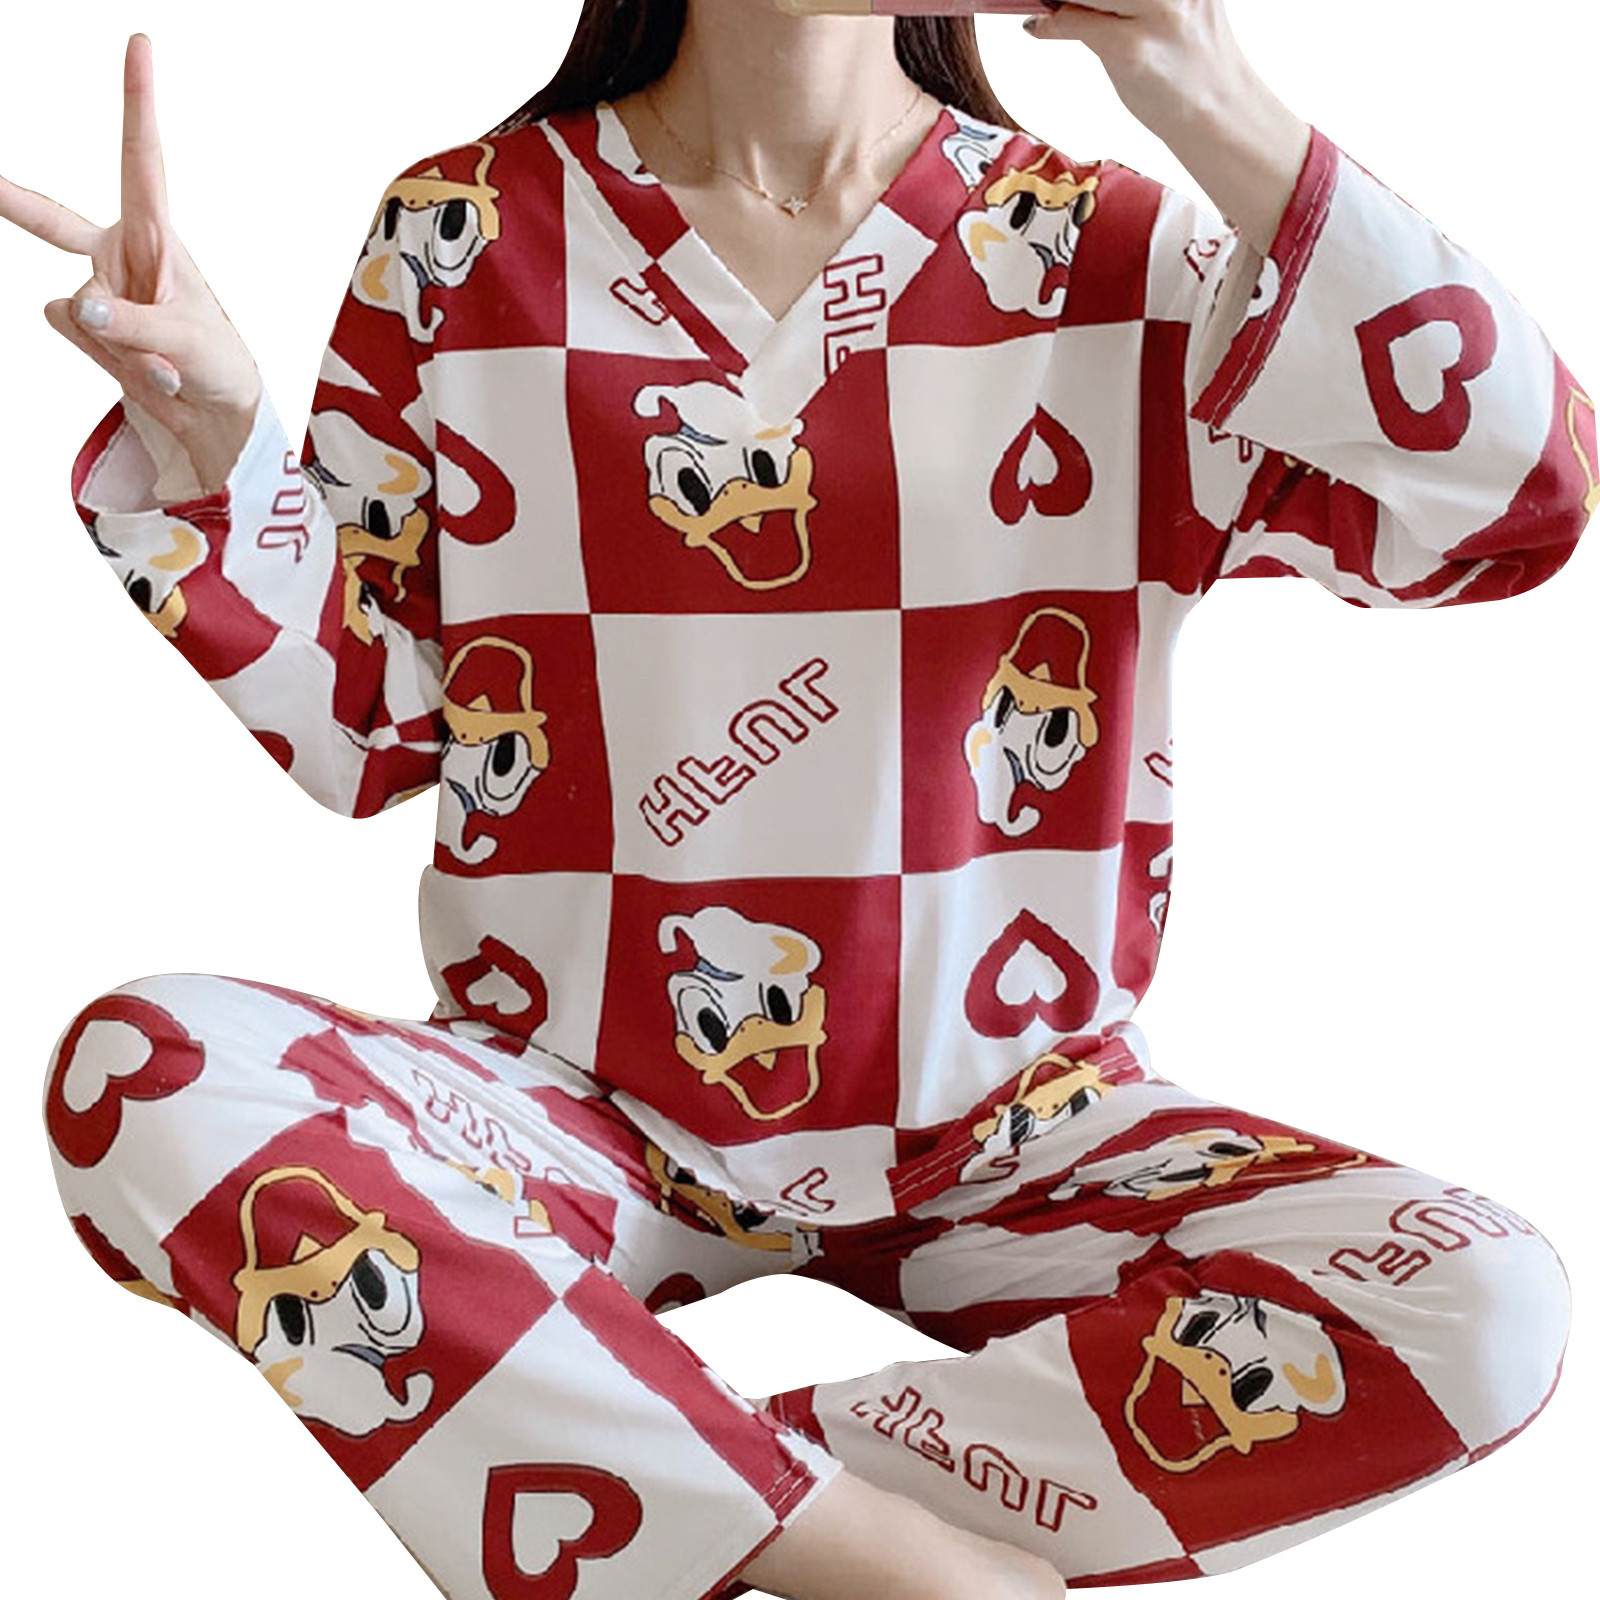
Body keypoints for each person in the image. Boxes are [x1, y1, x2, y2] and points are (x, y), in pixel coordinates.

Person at [4, 2, 1592, 1597]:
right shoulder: (461, 230)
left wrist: (1203, 85)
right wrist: (217, 453)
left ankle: (643, 1460)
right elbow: (369, 730)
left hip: (1022, 1131)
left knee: (1486, 1303)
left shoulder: (1114, 252)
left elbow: (1516, 502)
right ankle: (895, 1565)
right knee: (144, 1073)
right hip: (569, 1113)